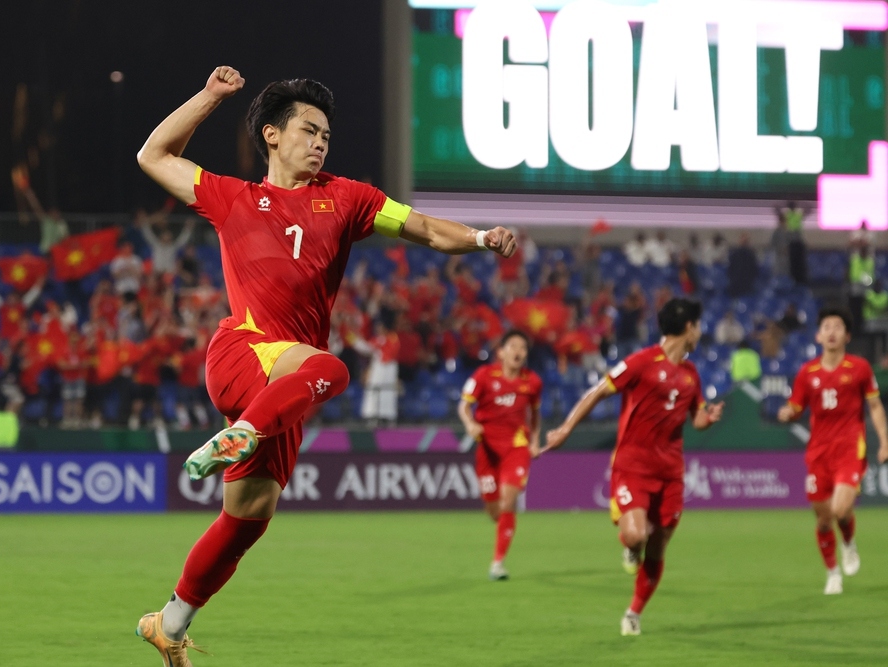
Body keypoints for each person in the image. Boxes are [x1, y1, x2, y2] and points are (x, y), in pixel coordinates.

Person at [133, 65, 516, 664]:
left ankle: (170, 622)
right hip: (244, 354)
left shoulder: (348, 199)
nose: (320, 143)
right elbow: (153, 155)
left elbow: (422, 228)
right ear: (271, 135)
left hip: (288, 386)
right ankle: (241, 432)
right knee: (335, 371)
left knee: (248, 518)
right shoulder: (233, 197)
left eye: (326, 136)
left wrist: (480, 237)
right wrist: (209, 96)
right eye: (308, 131)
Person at [536, 298, 724, 636]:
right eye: (697, 326)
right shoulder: (641, 362)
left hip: (671, 473)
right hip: (632, 466)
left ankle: (634, 612)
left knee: (658, 545)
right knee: (637, 534)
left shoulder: (691, 374)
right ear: (688, 327)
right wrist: (565, 428)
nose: (699, 333)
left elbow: (696, 418)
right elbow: (597, 392)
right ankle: (629, 546)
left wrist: (707, 418)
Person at [777, 307, 888, 595]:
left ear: (847, 336)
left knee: (840, 509)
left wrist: (885, 441)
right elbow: (796, 406)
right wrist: (787, 413)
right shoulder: (807, 373)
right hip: (818, 453)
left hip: (850, 448)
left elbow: (875, 406)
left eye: (837, 327)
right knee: (824, 518)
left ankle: (848, 543)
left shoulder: (859, 368)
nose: (831, 332)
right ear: (818, 335)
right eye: (826, 326)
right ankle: (832, 573)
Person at [458, 330, 542, 581]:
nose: (518, 352)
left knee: (508, 502)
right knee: (494, 510)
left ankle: (497, 563)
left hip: (516, 448)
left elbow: (535, 415)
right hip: (487, 449)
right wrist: (470, 424)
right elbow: (464, 406)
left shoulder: (532, 382)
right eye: (513, 346)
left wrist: (534, 441)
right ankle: (503, 527)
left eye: (523, 348)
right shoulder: (484, 375)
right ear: (501, 352)